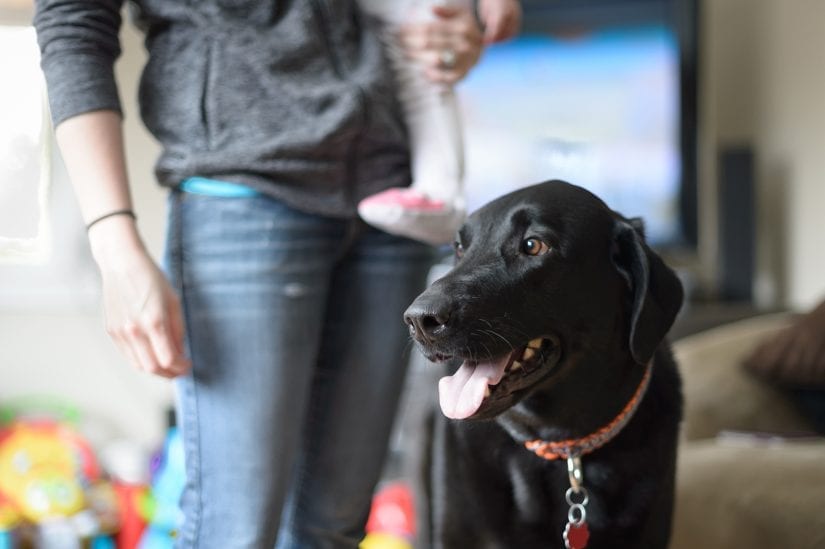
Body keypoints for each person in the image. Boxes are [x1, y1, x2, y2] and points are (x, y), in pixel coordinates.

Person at [32, 1, 485, 547]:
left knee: (335, 527)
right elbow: (73, 25)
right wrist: (114, 244)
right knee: (236, 530)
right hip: (242, 197)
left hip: (396, 200)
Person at [357, 0, 521, 245]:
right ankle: (440, 194)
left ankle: (440, 195)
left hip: (391, 169)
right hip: (294, 178)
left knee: (423, 63)